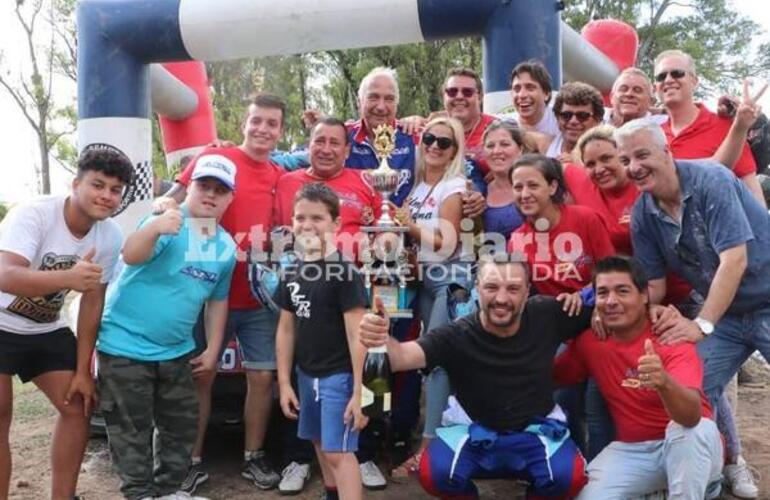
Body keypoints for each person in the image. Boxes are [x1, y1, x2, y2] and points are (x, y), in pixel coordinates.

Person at [619, 118, 770, 499]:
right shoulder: (643, 214)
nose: (633, 166)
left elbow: (733, 260)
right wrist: (629, 313)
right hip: (730, 317)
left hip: (762, 300)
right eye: (626, 160)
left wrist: (701, 324)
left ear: (667, 151)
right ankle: (715, 471)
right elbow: (654, 285)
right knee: (694, 391)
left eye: (641, 154)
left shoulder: (710, 180)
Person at [358, 257, 591, 498]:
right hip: (475, 432)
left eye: (513, 289)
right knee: (434, 473)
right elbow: (401, 358)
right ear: (477, 288)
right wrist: (381, 338)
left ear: (527, 292)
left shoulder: (548, 312)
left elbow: (607, 313)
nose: (501, 299)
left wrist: (586, 305)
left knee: (571, 476)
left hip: (535, 431)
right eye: (491, 287)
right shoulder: (458, 333)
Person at [158, 93, 286, 493]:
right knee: (201, 375)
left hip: (257, 299)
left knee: (263, 378)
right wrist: (164, 205)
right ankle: (191, 461)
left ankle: (253, 456)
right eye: (257, 121)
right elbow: (177, 201)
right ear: (245, 124)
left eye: (272, 123)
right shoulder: (217, 159)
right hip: (207, 291)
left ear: (281, 131)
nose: (263, 129)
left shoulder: (280, 173)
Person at [97, 156, 237, 500]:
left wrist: (212, 349)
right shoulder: (167, 220)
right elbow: (130, 255)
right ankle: (139, 493)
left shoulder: (226, 246)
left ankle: (168, 490)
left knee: (180, 425)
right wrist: (154, 227)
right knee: (131, 430)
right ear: (190, 187)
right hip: (124, 346)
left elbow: (217, 300)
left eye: (220, 190)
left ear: (230, 199)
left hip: (176, 351)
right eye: (204, 186)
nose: (210, 195)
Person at [0, 144, 132, 500]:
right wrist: (66, 279)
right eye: (98, 184)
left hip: (45, 329)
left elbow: (92, 303)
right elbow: (5, 275)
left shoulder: (109, 236)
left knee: (78, 405)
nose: (106, 195)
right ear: (76, 184)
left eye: (115, 189)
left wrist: (83, 370)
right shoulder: (34, 214)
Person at [554, 256, 723, 499]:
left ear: (644, 295)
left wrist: (664, 383)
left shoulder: (671, 336)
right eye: (602, 293)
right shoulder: (592, 341)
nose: (611, 301)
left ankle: (704, 486)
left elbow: (691, 416)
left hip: (692, 446)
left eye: (622, 291)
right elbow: (554, 377)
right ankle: (657, 490)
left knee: (687, 433)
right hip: (634, 450)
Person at [275, 183, 368, 500]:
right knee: (319, 443)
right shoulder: (293, 270)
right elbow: (287, 328)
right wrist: (285, 381)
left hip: (338, 377)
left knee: (339, 452)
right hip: (306, 375)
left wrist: (360, 390)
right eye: (300, 217)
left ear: (336, 224)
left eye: (317, 217)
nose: (307, 225)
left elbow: (358, 335)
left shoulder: (345, 273)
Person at [392, 117, 474, 475]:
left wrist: (406, 226)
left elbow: (449, 242)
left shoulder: (454, 185)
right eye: (430, 138)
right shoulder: (418, 186)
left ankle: (427, 450)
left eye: (446, 142)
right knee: (429, 362)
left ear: (456, 150)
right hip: (424, 280)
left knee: (438, 360)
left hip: (450, 278)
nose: (436, 146)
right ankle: (441, 439)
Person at [654, 49, 766, 206]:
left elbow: (752, 191)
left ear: (694, 81)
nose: (668, 80)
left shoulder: (726, 127)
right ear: (655, 87)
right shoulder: (652, 135)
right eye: (661, 76)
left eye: (677, 73)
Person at [509, 153, 615, 300]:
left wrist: (582, 296)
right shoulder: (517, 240)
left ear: (552, 187)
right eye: (518, 188)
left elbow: (613, 272)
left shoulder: (585, 218)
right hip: (555, 315)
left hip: (599, 305)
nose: (525, 194)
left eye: (533, 186)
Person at [275, 117, 381, 262]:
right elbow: (274, 234)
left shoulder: (367, 182)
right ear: (309, 146)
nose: (326, 150)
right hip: (301, 277)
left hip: (357, 277)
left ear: (347, 151)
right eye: (319, 141)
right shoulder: (285, 182)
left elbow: (387, 233)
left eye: (334, 143)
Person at [479, 121, 526, 244]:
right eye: (490, 146)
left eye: (505, 144)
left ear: (520, 149)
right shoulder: (480, 191)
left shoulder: (536, 186)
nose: (496, 151)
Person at [547, 82, 605, 163]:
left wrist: (578, 165)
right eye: (566, 115)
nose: (573, 121)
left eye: (582, 116)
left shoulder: (606, 153)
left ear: (597, 120)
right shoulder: (544, 145)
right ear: (557, 118)